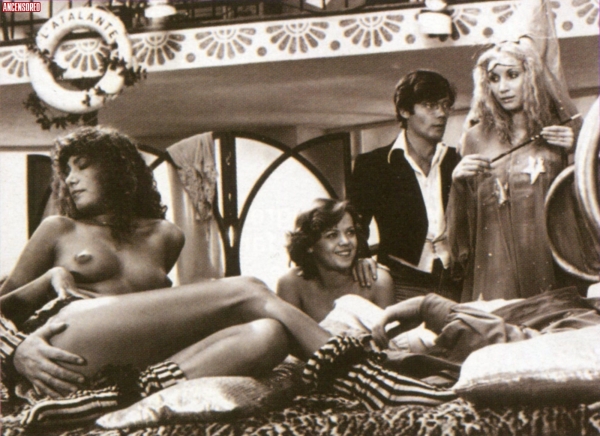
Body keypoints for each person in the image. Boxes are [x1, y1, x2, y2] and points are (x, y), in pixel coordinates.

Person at [0, 126, 330, 402]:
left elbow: (150, 315)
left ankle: (128, 394)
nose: (71, 180)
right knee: (249, 289)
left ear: (118, 170)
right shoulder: (58, 229)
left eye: (82, 167)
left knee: (269, 336)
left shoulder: (165, 236)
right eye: (67, 172)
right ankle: (350, 365)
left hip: (133, 360)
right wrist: (22, 340)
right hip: (69, 342)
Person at [448, 40, 578, 302]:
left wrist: (578, 151)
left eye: (512, 75)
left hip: (550, 263)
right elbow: (464, 230)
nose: (503, 88)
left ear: (531, 77)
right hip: (494, 269)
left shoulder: (560, 132)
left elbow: (584, 205)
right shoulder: (474, 138)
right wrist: (458, 181)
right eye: (494, 79)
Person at [349, 70, 461, 302]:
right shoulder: (373, 164)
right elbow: (355, 222)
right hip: (400, 282)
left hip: (457, 281)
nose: (441, 114)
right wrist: (360, 256)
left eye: (445, 105)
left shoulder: (458, 160)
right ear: (404, 111)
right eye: (430, 105)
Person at [277, 198, 395, 323]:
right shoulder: (291, 284)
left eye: (350, 232)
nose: (345, 241)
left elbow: (388, 335)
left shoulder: (378, 282)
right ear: (309, 244)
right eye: (332, 235)